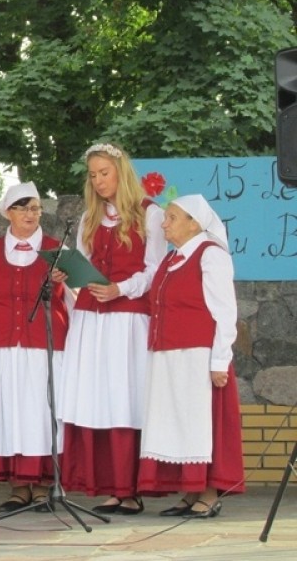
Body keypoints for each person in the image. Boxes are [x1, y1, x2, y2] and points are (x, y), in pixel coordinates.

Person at [56, 143, 165, 514]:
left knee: (125, 397)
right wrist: (67, 273)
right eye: (93, 175)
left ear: (121, 172)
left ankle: (131, 488)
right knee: (97, 398)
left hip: (128, 319)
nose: (99, 181)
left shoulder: (150, 214)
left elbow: (154, 271)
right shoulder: (90, 218)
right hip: (91, 319)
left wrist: (121, 288)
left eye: (104, 172)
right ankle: (110, 485)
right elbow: (82, 268)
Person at [0, 183, 69, 513]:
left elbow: (77, 301)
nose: (30, 214)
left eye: (35, 208)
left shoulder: (58, 251)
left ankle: (44, 486)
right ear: (8, 213)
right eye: (22, 208)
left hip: (45, 347)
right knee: (8, 414)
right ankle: (18, 487)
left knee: (42, 414)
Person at [139, 195, 244, 518]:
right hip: (168, 355)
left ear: (194, 224)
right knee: (177, 423)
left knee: (199, 423)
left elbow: (225, 312)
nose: (164, 224)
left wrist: (219, 361)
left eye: (172, 217)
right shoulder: (172, 259)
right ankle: (190, 491)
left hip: (197, 356)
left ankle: (208, 495)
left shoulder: (211, 255)